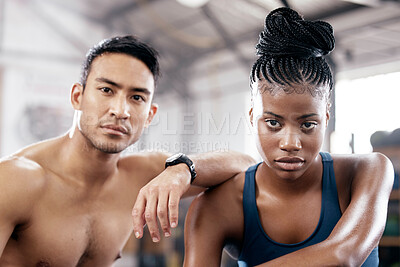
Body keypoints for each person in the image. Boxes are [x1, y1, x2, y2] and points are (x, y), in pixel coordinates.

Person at [0, 36, 255, 266]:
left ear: (149, 115)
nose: (120, 110)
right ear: (78, 96)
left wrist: (181, 171)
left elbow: (245, 165)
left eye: (137, 98)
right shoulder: (16, 180)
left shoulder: (141, 174)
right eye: (107, 90)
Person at [184, 7, 394, 267]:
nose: (290, 144)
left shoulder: (368, 171)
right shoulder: (217, 207)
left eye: (308, 124)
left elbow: (344, 256)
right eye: (273, 123)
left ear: (326, 118)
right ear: (252, 116)